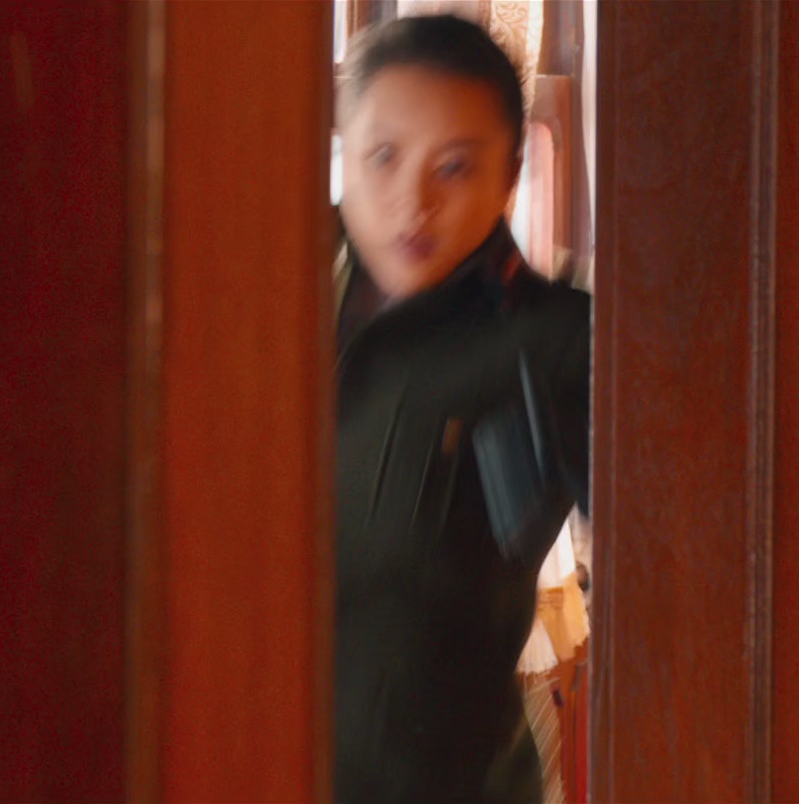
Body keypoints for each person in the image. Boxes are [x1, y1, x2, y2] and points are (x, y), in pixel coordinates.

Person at [333, 14, 590, 803]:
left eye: (454, 167)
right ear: (344, 149)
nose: (414, 202)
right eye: (384, 157)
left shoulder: (556, 345)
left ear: (509, 175)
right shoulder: (255, 298)